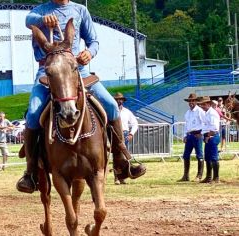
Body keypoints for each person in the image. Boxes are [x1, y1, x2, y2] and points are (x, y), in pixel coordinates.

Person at [16, 0, 146, 193]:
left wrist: (89, 53)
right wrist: (43, 19)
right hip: (48, 71)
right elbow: (28, 20)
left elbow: (94, 41)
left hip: (79, 71)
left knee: (110, 105)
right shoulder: (40, 10)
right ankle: (31, 171)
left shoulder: (80, 10)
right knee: (34, 114)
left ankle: (121, 160)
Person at [113, 92, 139, 185]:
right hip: (114, 134)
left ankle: (122, 178)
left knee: (124, 157)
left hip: (124, 134)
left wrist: (131, 134)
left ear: (123, 101)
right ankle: (116, 178)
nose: (118, 101)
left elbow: (135, 123)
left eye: (120, 99)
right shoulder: (111, 111)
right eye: (116, 99)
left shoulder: (127, 112)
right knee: (116, 157)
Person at [178, 93, 205, 182]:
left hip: (197, 135)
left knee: (199, 155)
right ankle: (186, 176)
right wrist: (185, 135)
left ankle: (199, 175)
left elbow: (204, 122)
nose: (191, 102)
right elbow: (187, 125)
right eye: (189, 101)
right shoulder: (187, 113)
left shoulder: (199, 111)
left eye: (193, 101)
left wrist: (202, 133)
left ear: (196, 101)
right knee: (186, 155)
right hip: (189, 135)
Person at [197, 96, 220, 183]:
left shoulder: (212, 113)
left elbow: (215, 128)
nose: (202, 106)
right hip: (209, 137)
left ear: (209, 104)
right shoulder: (207, 113)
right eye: (201, 104)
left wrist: (208, 136)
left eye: (204, 104)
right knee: (207, 158)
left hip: (212, 137)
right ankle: (209, 177)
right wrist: (202, 134)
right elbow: (206, 126)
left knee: (214, 158)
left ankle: (216, 178)